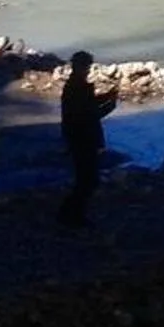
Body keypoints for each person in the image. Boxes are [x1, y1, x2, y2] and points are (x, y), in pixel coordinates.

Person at [57, 51, 118, 226]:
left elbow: (88, 104)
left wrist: (106, 96)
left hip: (78, 137)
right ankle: (70, 215)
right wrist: (110, 107)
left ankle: (71, 215)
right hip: (83, 138)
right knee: (88, 180)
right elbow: (89, 115)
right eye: (87, 67)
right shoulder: (77, 88)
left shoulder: (73, 86)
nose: (88, 70)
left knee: (85, 179)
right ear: (80, 66)